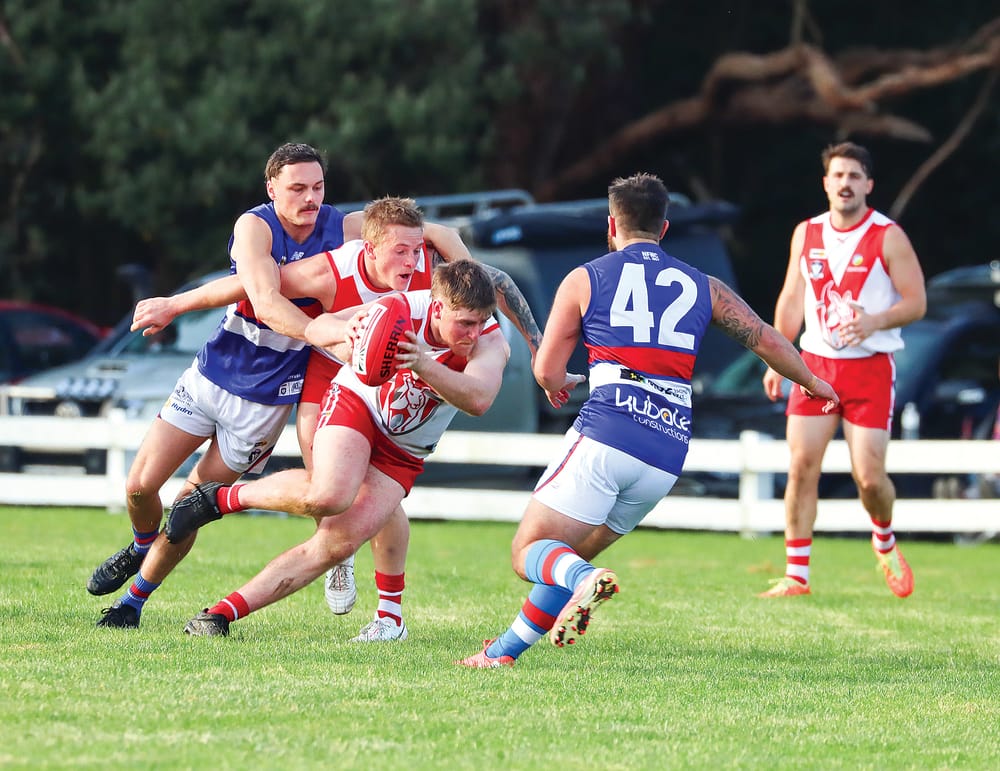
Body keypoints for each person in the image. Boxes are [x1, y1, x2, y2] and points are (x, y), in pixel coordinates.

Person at [456, 172, 839, 668]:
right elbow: (764, 337)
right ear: (664, 229)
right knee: (569, 557)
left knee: (530, 550)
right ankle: (502, 653)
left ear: (610, 224)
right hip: (666, 452)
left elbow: (547, 369)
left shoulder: (585, 277)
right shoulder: (705, 285)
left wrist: (558, 382)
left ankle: (582, 584)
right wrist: (812, 381)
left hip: (608, 433)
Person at [123, 202, 550, 640]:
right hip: (357, 403)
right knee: (327, 494)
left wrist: (530, 350)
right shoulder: (391, 304)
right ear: (435, 308)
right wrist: (345, 341)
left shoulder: (489, 339)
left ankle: (223, 613)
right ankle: (226, 499)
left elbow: (479, 397)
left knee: (337, 542)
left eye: (481, 323)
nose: (473, 334)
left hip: (405, 446)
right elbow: (262, 291)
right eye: (465, 324)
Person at [758, 141, 926, 599]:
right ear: (826, 183)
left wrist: (874, 320)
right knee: (800, 467)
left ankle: (884, 537)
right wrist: (777, 356)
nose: (845, 184)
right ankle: (797, 576)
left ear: (868, 184)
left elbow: (917, 301)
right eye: (838, 175)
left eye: (855, 176)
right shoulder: (806, 233)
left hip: (870, 368)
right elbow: (792, 297)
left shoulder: (887, 235)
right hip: (814, 365)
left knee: (869, 478)